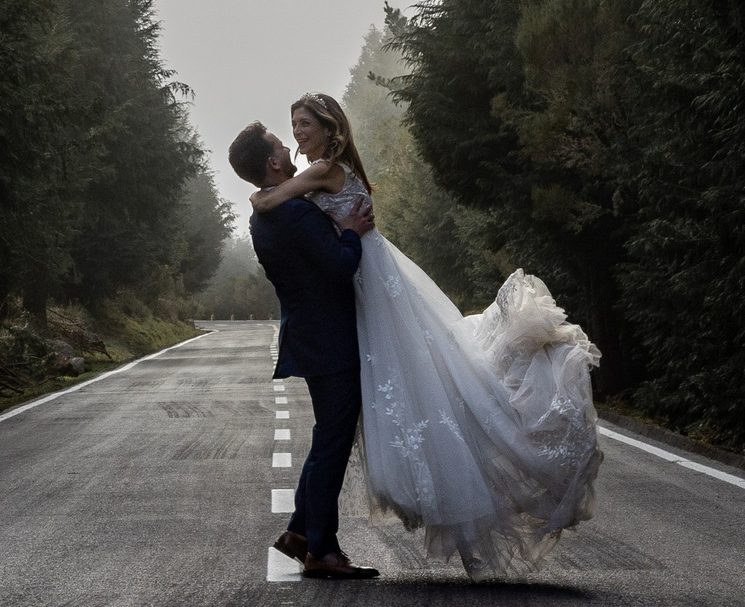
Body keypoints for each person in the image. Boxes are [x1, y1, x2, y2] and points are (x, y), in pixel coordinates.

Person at [249, 92, 605, 576]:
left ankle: (307, 535)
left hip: (365, 288)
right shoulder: (319, 177)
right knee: (345, 426)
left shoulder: (323, 172)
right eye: (291, 126)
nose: (296, 134)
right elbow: (286, 209)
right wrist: (341, 227)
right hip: (358, 294)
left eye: (303, 123)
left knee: (347, 423)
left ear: (331, 128)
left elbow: (271, 197)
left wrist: (262, 197)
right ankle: (310, 537)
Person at [230, 120, 381, 580]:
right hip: (329, 341)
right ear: (274, 161)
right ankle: (322, 550)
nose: (288, 143)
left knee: (327, 440)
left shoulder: (267, 212)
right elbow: (339, 267)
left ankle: (300, 533)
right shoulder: (291, 214)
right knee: (330, 446)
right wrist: (352, 231)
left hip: (313, 337)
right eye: (280, 142)